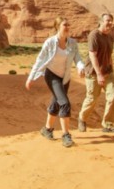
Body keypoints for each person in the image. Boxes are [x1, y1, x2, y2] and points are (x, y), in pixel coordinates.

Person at [25, 16, 86, 148]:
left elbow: (78, 58)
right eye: (65, 25)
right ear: (57, 27)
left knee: (57, 103)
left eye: (68, 25)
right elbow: (39, 60)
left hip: (65, 77)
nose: (68, 27)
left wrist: (81, 67)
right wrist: (31, 77)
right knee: (64, 103)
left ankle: (47, 130)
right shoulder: (50, 42)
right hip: (51, 75)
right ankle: (66, 135)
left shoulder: (72, 43)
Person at [77, 13, 114, 133]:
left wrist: (110, 67)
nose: (110, 23)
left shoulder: (110, 37)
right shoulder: (94, 35)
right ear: (101, 22)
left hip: (108, 71)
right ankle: (82, 118)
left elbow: (109, 54)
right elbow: (93, 55)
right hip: (93, 72)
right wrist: (99, 74)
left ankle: (108, 124)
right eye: (107, 20)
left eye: (111, 21)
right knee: (92, 98)